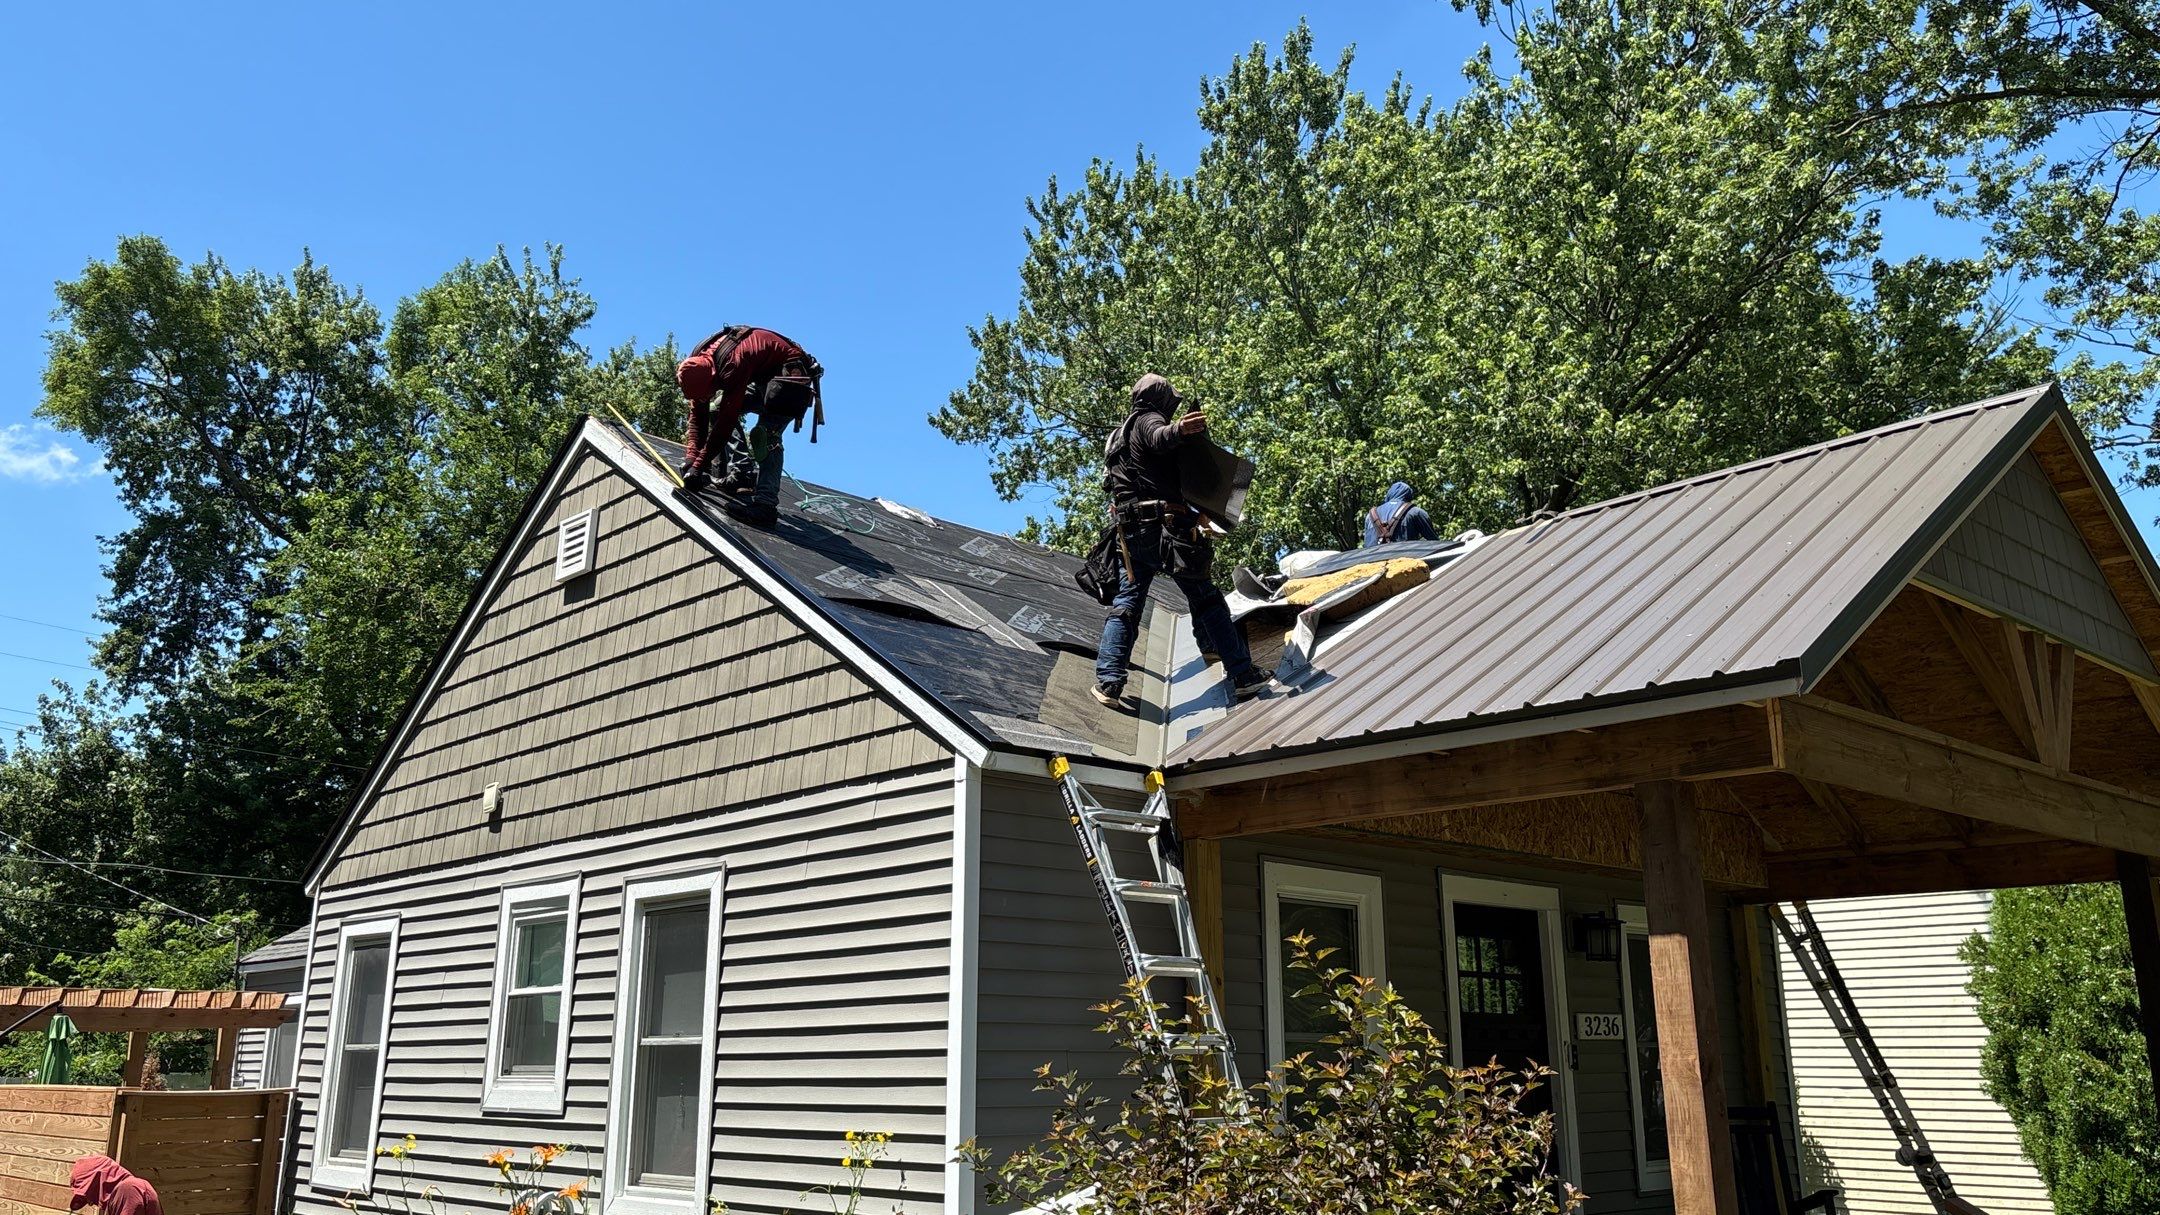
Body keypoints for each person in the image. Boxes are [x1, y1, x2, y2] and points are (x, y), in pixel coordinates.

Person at [1093, 373, 1275, 708]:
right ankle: (1242, 674)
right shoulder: (1148, 420)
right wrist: (1179, 430)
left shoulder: (1117, 437)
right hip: (1167, 530)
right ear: (1159, 399)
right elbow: (1159, 436)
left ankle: (1109, 682)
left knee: (1127, 605)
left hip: (1130, 535)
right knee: (1206, 599)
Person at [675, 326, 823, 528]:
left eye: (706, 392)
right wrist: (691, 459)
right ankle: (742, 473)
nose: (703, 397)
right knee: (713, 409)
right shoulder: (696, 361)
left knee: (766, 435)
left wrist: (699, 467)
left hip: (790, 375)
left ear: (713, 378)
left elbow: (726, 423)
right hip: (762, 373)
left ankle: (765, 506)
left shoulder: (733, 364)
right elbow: (697, 414)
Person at [71, 1156, 161, 1215]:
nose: (90, 1203)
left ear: (97, 1181)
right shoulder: (122, 1191)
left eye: (88, 1195)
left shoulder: (128, 1189)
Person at [1363, 480, 1437, 547]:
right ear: (1409, 497)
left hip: (1372, 560)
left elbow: (1366, 544)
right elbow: (1434, 543)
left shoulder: (1370, 515)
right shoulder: (1415, 512)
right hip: (1403, 560)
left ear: (1389, 495)